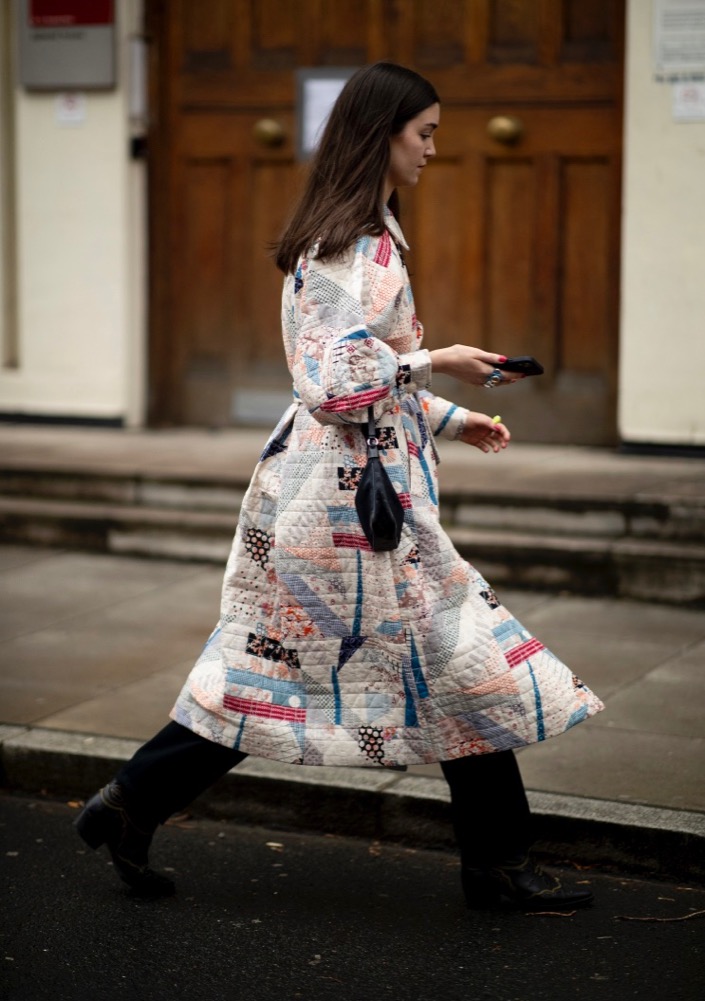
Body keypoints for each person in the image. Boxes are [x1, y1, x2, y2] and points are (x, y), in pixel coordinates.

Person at [75, 62, 603, 910]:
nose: (434, 148)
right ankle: (495, 864)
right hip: (346, 514)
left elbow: (365, 376)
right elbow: (333, 385)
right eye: (423, 132)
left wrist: (449, 417)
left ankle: (135, 801)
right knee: (361, 663)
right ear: (380, 133)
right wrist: (436, 360)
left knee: (406, 664)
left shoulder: (369, 234)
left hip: (360, 500)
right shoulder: (352, 247)